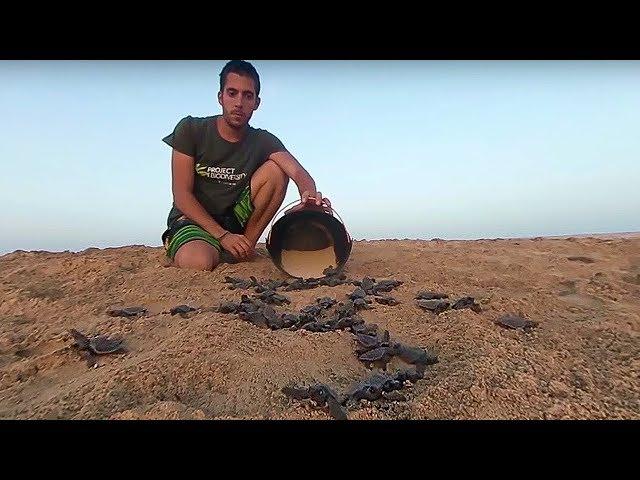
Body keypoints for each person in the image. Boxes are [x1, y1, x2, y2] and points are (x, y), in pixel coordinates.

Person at [161, 60, 331, 271]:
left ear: (256, 103)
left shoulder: (262, 140)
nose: (239, 103)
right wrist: (222, 236)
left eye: (247, 95)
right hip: (193, 220)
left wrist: (310, 198)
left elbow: (297, 171)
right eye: (232, 93)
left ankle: (244, 248)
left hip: (234, 221)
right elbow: (182, 195)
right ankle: (202, 246)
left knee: (276, 171)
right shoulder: (191, 130)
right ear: (220, 97)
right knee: (199, 262)